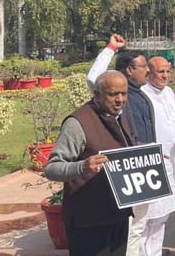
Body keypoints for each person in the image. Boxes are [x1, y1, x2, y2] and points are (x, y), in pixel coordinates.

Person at [45, 71, 134, 256]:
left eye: (124, 94)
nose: (119, 99)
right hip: (88, 220)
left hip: (117, 215)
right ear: (96, 94)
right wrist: (82, 166)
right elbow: (52, 168)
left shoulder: (121, 116)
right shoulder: (78, 123)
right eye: (112, 94)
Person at [86, 34, 156, 256]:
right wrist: (110, 48)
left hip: (145, 166)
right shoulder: (116, 97)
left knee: (141, 225)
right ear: (128, 70)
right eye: (143, 66)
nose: (148, 70)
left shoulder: (142, 95)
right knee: (129, 228)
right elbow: (93, 79)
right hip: (126, 168)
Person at [140, 56, 175, 256]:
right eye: (160, 71)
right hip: (151, 162)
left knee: (163, 215)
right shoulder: (141, 94)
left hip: (169, 161)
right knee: (146, 217)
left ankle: (154, 253)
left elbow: (173, 126)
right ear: (149, 72)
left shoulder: (170, 93)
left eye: (167, 71)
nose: (165, 75)